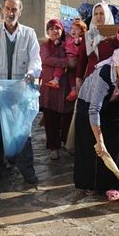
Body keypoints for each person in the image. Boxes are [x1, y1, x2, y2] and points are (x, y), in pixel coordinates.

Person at [0, 0, 41, 184]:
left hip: (19, 93)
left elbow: (35, 59)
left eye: (14, 9)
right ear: (2, 10)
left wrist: (31, 73)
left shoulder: (29, 34)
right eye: (7, 8)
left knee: (22, 131)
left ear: (20, 11)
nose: (10, 12)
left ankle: (26, 169)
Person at [74, 48, 119, 202]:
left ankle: (113, 185)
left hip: (115, 107)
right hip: (89, 106)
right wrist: (99, 140)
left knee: (115, 144)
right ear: (115, 66)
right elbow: (94, 110)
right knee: (92, 146)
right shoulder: (104, 75)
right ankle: (90, 183)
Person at [40, 19, 75, 160]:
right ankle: (53, 147)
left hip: (65, 87)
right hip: (49, 88)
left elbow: (75, 59)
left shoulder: (68, 45)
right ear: (48, 32)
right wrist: (66, 62)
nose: (55, 31)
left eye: (58, 28)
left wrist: (70, 62)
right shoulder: (44, 46)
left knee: (67, 117)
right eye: (52, 28)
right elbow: (46, 59)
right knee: (51, 119)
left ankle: (67, 142)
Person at [76, 1, 119, 85]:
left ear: (107, 14)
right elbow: (82, 59)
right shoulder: (90, 35)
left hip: (112, 78)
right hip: (92, 78)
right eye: (95, 14)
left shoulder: (117, 29)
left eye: (101, 14)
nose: (98, 17)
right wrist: (78, 78)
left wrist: (110, 33)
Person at [64, 19, 87, 101]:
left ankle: (75, 90)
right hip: (68, 59)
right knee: (70, 75)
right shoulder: (69, 39)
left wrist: (77, 44)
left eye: (76, 29)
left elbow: (79, 51)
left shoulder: (80, 40)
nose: (73, 30)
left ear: (81, 32)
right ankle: (73, 90)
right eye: (72, 28)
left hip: (75, 60)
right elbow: (65, 46)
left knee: (74, 75)